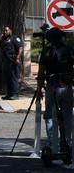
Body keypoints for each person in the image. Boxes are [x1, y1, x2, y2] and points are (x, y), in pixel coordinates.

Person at [40, 27, 74, 162]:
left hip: (52, 87)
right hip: (67, 87)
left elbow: (41, 72)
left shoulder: (47, 50)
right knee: (67, 116)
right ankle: (68, 143)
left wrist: (38, 90)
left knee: (49, 116)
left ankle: (52, 144)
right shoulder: (69, 49)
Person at [0, 26, 24, 100]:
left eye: (6, 30)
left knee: (13, 78)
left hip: (13, 61)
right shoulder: (3, 40)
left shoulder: (14, 38)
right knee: (8, 78)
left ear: (10, 30)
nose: (5, 32)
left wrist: (18, 57)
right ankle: (9, 94)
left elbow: (20, 47)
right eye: (4, 31)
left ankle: (15, 94)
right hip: (5, 61)